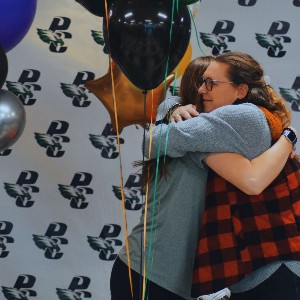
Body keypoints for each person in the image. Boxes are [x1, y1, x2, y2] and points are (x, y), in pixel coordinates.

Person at [110, 56, 295, 300]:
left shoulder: (219, 127)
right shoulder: (200, 136)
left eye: (211, 84)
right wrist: (289, 138)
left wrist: (287, 139)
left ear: (240, 90)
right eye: (202, 83)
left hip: (159, 274)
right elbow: (252, 180)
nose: (203, 90)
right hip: (154, 275)